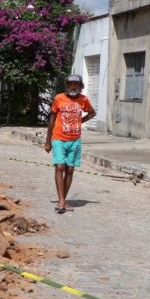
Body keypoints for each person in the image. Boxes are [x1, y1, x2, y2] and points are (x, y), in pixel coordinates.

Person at [45, 74, 96, 214]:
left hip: (75, 140)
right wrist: (48, 141)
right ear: (66, 86)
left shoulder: (83, 100)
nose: (73, 87)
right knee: (60, 166)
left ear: (81, 87)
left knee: (70, 170)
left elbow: (92, 113)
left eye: (76, 85)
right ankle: (61, 201)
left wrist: (80, 121)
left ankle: (63, 199)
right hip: (58, 138)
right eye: (70, 84)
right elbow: (52, 119)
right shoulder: (59, 98)